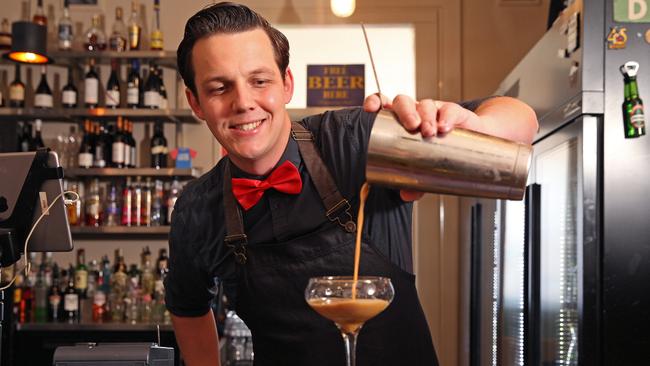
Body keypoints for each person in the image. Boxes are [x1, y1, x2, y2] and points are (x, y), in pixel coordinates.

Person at [165, 2, 538, 366]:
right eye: (219, 88)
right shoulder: (198, 209)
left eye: (260, 81)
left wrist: (473, 129)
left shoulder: (357, 138)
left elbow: (521, 120)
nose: (243, 102)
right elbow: (187, 307)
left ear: (286, 84)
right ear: (196, 103)